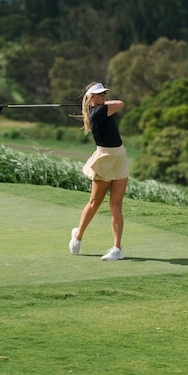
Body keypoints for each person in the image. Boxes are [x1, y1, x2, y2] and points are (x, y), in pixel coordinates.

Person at [69, 81, 129, 261]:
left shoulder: (100, 108)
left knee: (116, 206)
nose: (104, 96)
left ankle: (117, 249)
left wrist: (95, 102)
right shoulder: (99, 112)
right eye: (100, 94)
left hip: (119, 158)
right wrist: (96, 104)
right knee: (95, 202)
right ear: (91, 97)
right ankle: (78, 236)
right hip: (105, 160)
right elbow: (120, 103)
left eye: (104, 94)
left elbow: (116, 104)